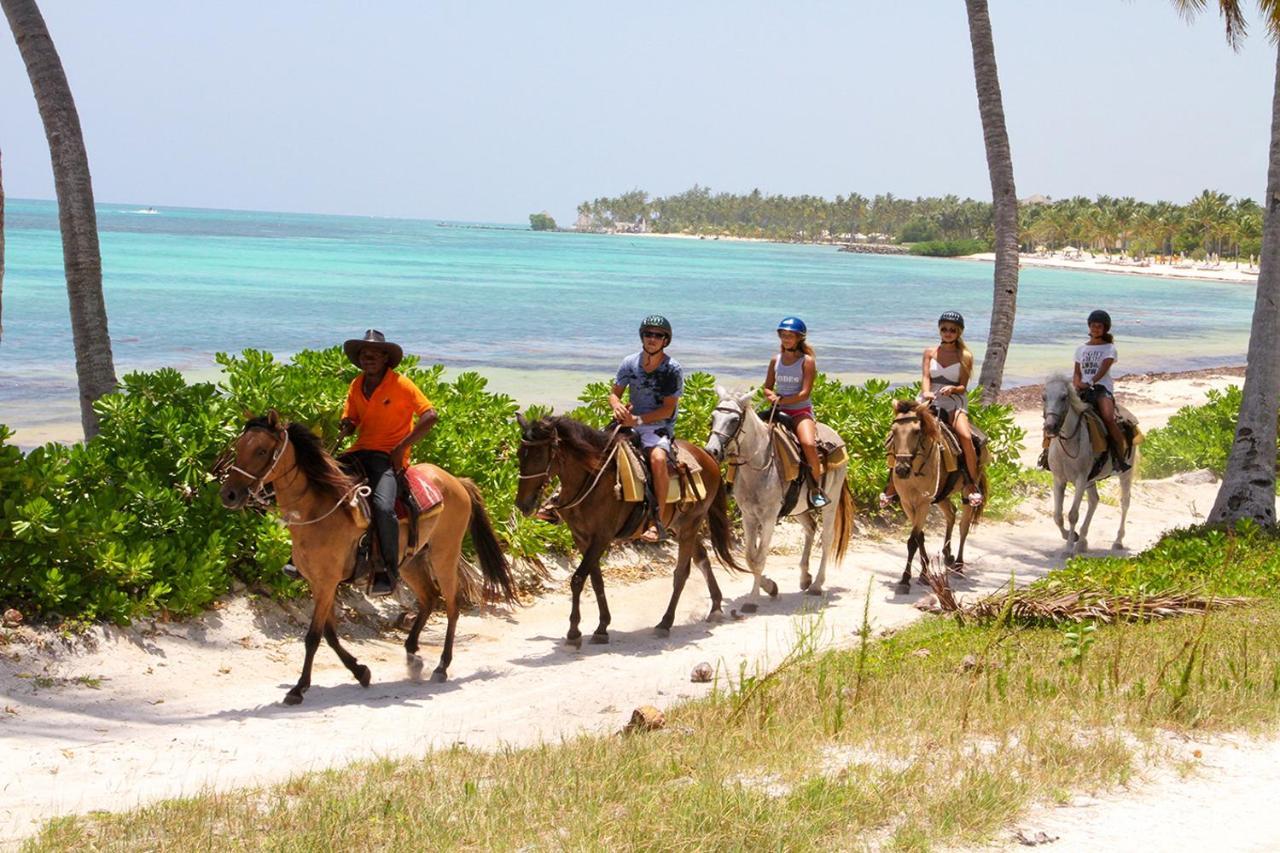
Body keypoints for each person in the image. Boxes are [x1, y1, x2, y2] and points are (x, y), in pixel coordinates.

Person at [336, 329, 438, 595]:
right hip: (358, 451)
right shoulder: (357, 384)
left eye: (373, 354)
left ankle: (388, 571)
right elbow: (353, 416)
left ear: (385, 358)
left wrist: (402, 447)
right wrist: (348, 423)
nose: (367, 358)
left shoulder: (402, 384)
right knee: (320, 486)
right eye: (363, 354)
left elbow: (430, 416)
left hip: (386, 457)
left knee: (383, 508)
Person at [880, 311, 982, 508]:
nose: (948, 333)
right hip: (929, 398)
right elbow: (926, 377)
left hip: (954, 401)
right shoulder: (929, 352)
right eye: (944, 329)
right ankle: (891, 485)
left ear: (959, 332)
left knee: (966, 437)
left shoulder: (965, 356)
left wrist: (953, 389)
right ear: (939, 330)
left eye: (952, 330)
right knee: (899, 434)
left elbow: (963, 386)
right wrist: (926, 393)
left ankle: (971, 484)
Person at [610, 315, 683, 538]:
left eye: (658, 335)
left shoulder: (672, 369)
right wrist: (617, 406)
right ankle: (557, 501)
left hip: (657, 427)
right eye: (648, 334)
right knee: (588, 447)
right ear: (642, 336)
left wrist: (638, 421)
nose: (652, 339)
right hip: (629, 423)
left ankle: (657, 521)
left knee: (658, 460)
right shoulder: (629, 363)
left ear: (665, 340)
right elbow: (615, 393)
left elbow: (668, 410)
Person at [761, 316, 830, 509]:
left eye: (790, 336)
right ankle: (732, 482)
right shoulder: (775, 359)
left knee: (808, 444)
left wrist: (783, 399)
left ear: (799, 338)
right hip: (778, 409)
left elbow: (804, 393)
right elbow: (767, 387)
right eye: (783, 335)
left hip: (799, 411)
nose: (786, 339)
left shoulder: (806, 361)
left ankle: (816, 489)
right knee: (747, 437)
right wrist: (771, 395)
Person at [1072, 309, 1131, 473]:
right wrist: (1077, 385)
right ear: (1089, 327)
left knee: (1108, 418)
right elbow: (1076, 371)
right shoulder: (1081, 349)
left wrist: (1089, 382)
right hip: (1082, 388)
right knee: (1057, 413)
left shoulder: (1109, 348)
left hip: (1101, 389)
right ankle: (1047, 454)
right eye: (1093, 326)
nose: (1096, 329)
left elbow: (1103, 370)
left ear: (1105, 329)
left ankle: (1120, 458)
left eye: (1099, 326)